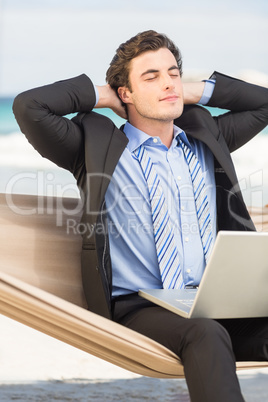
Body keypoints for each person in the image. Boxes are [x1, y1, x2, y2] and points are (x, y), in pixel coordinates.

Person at [13, 30, 268, 402]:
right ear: (126, 93)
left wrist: (191, 91)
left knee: (211, 328)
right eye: (151, 77)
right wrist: (104, 96)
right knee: (206, 333)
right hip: (139, 308)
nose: (168, 84)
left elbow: (263, 103)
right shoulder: (95, 147)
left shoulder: (207, 136)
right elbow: (29, 106)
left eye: (173, 74)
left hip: (212, 302)